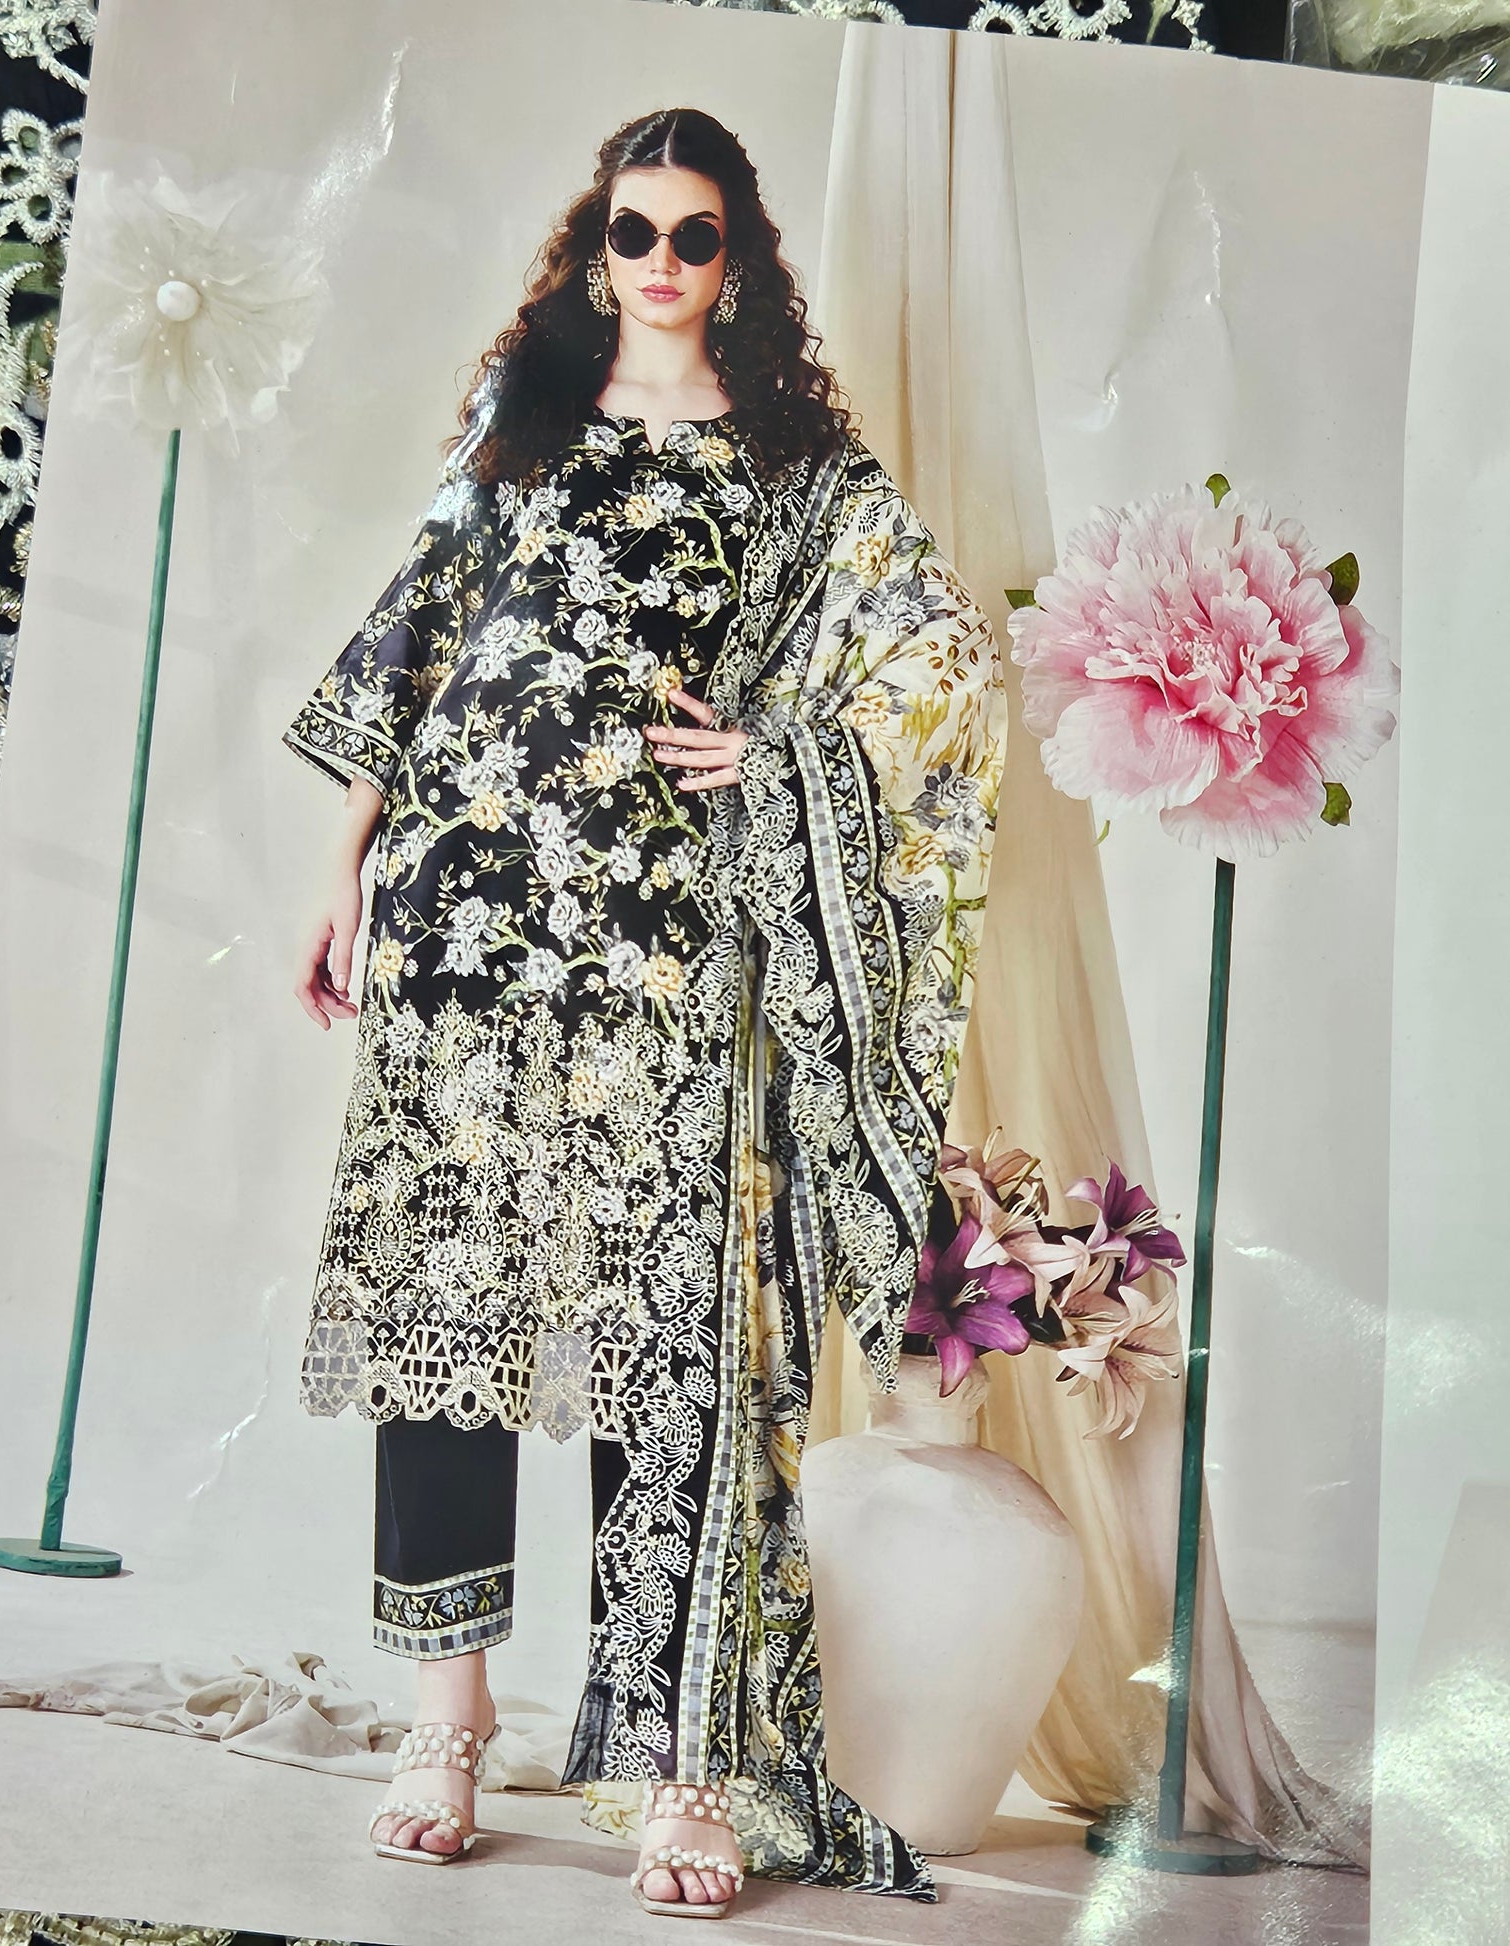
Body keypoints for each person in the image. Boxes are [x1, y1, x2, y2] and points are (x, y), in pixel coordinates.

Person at [286, 106, 1004, 1920]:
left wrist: (786, 751)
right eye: (633, 231)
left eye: (694, 234)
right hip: (459, 929)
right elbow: (414, 637)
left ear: (737, 255)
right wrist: (345, 870)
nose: (662, 262)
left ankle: (681, 1766)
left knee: (663, 1345)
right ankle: (446, 1723)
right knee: (442, 1324)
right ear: (592, 247)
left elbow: (939, 668)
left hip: (667, 954)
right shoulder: (518, 423)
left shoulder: (798, 467)